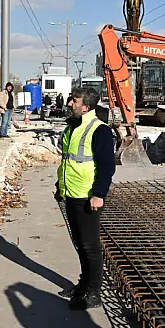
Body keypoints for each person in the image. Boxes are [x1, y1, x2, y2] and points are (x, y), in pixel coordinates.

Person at [54, 87, 116, 310]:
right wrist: (60, 186)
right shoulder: (72, 126)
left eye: (75, 100)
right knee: (79, 243)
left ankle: (94, 292)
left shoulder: (100, 130)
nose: (70, 103)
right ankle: (83, 285)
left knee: (90, 246)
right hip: (71, 192)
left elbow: (107, 166)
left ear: (86, 107)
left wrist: (99, 194)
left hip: (87, 196)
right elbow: (68, 161)